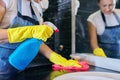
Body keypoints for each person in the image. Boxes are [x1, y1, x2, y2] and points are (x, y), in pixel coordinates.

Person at [0, 0, 82, 76]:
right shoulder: (8, 2)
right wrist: (30, 31)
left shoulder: (36, 11)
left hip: (18, 67)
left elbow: (35, 42)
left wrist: (57, 59)